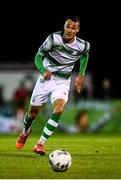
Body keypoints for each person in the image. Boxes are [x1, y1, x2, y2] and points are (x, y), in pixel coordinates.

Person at [15, 16, 90, 155]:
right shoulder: (53, 39)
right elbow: (38, 56)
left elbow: (85, 55)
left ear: (78, 30)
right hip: (46, 79)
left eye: (73, 27)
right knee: (32, 114)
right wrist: (43, 71)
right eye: (67, 26)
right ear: (64, 26)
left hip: (63, 82)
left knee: (59, 109)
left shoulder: (84, 45)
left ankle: (40, 144)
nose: (69, 29)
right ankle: (25, 132)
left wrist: (81, 75)